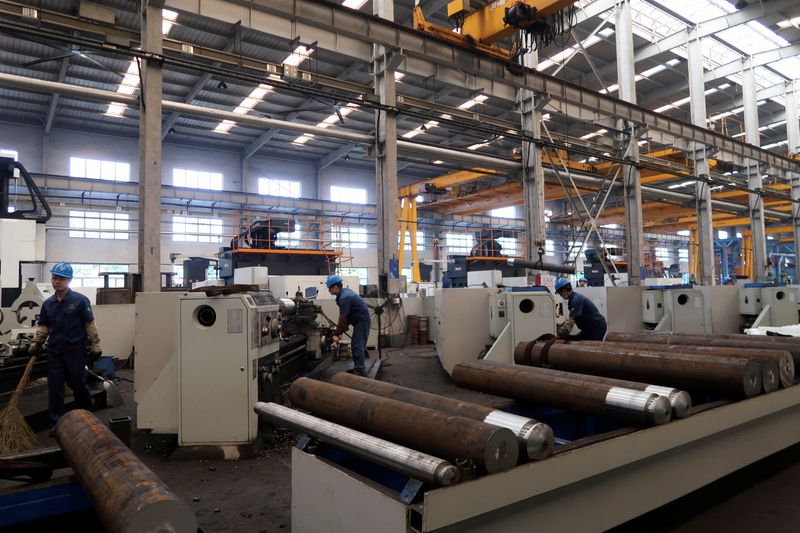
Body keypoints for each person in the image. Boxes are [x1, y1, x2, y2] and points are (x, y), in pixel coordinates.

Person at [28, 262, 102, 428]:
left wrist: (95, 344)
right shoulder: (48, 304)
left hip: (75, 351)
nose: (57, 281)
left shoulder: (80, 301)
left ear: (69, 280)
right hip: (55, 352)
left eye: (61, 278)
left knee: (77, 383)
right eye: (54, 278)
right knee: (55, 387)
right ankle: (57, 422)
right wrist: (36, 342)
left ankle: (86, 414)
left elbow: (89, 324)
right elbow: (44, 326)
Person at [327, 274, 371, 376]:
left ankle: (360, 370)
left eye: (329, 288)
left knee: (357, 345)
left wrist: (337, 334)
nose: (329, 290)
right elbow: (345, 318)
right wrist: (339, 330)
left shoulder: (344, 297)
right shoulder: (344, 293)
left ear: (335, 287)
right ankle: (358, 368)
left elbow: (343, 318)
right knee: (356, 344)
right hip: (359, 319)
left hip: (362, 320)